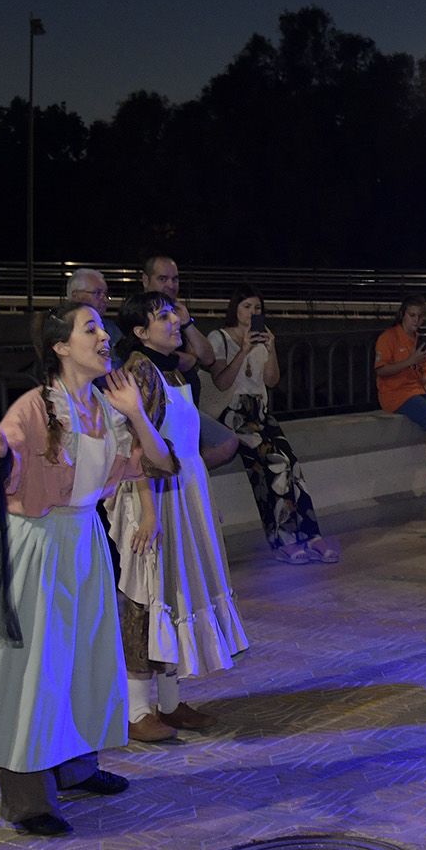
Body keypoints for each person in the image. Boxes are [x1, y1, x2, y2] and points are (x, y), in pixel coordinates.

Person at [0, 302, 176, 836]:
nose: (104, 337)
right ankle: (29, 799)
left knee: (84, 660)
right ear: (60, 346)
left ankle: (76, 767)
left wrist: (137, 413)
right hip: (36, 546)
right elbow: (5, 463)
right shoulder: (33, 408)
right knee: (34, 668)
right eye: (89, 328)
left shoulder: (105, 408)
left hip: (83, 543)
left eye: (103, 328)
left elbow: (161, 463)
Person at [108, 292, 249, 743]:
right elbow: (137, 446)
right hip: (155, 497)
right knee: (146, 596)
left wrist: (200, 503)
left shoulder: (167, 369)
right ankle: (136, 709)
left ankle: (169, 703)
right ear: (140, 332)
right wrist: (149, 514)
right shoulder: (140, 372)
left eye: (172, 314)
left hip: (181, 492)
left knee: (175, 592)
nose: (174, 322)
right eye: (162, 317)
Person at [205, 284, 336, 564]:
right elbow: (221, 382)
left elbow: (272, 380)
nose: (252, 312)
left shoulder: (262, 338)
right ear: (235, 309)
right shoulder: (219, 337)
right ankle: (284, 539)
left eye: (257, 308)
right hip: (234, 414)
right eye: (246, 307)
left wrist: (271, 348)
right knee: (277, 463)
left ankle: (311, 534)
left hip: (260, 411)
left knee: (293, 464)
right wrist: (243, 350)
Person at [141, 254, 240, 470]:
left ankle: (182, 473)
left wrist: (186, 322)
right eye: (163, 279)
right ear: (146, 280)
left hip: (188, 406)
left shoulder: (177, 313)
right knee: (222, 445)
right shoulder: (139, 313)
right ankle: (180, 472)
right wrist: (187, 358)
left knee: (226, 444)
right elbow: (161, 357)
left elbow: (207, 357)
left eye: (175, 279)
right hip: (165, 409)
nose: (171, 285)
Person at [376, 299, 426, 485]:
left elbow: (424, 374)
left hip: (417, 390)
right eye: (412, 315)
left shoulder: (420, 339)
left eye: (420, 316)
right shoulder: (389, 338)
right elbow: (381, 369)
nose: (416, 320)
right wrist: (410, 361)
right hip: (396, 393)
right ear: (403, 315)